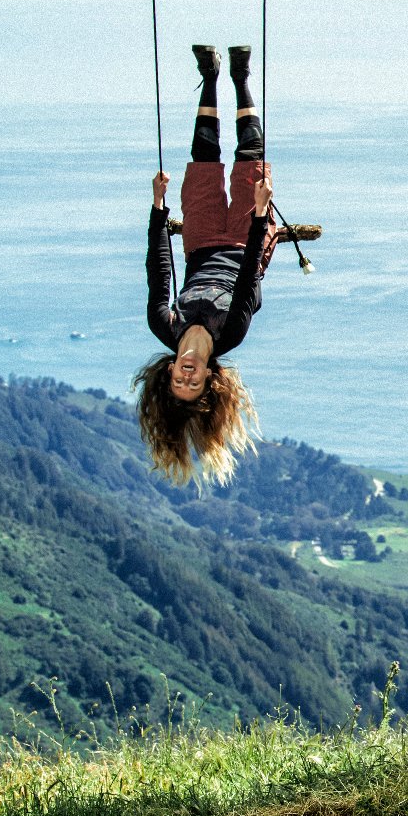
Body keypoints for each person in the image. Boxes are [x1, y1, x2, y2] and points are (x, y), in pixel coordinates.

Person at [135, 44, 279, 486]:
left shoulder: (166, 325)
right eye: (193, 384)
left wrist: (159, 209)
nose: (186, 376)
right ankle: (241, 77)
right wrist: (259, 213)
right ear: (209, 380)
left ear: (169, 374)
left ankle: (211, 75)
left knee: (203, 159)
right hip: (243, 240)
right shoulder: (230, 333)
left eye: (179, 382)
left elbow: (159, 271)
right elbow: (250, 271)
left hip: (198, 246)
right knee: (249, 158)